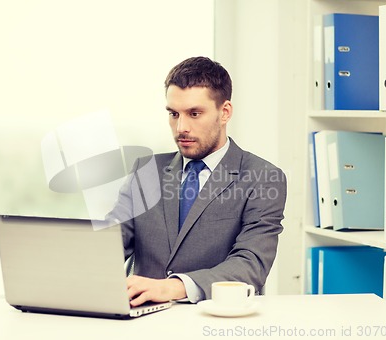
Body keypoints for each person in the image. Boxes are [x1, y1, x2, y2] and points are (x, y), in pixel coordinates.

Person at [106, 56, 287, 307]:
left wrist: (173, 286)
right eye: (173, 114)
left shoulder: (263, 178)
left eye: (194, 113)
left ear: (224, 112)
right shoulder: (146, 171)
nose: (181, 127)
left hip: (217, 320)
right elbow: (110, 242)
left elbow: (250, 264)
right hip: (142, 319)